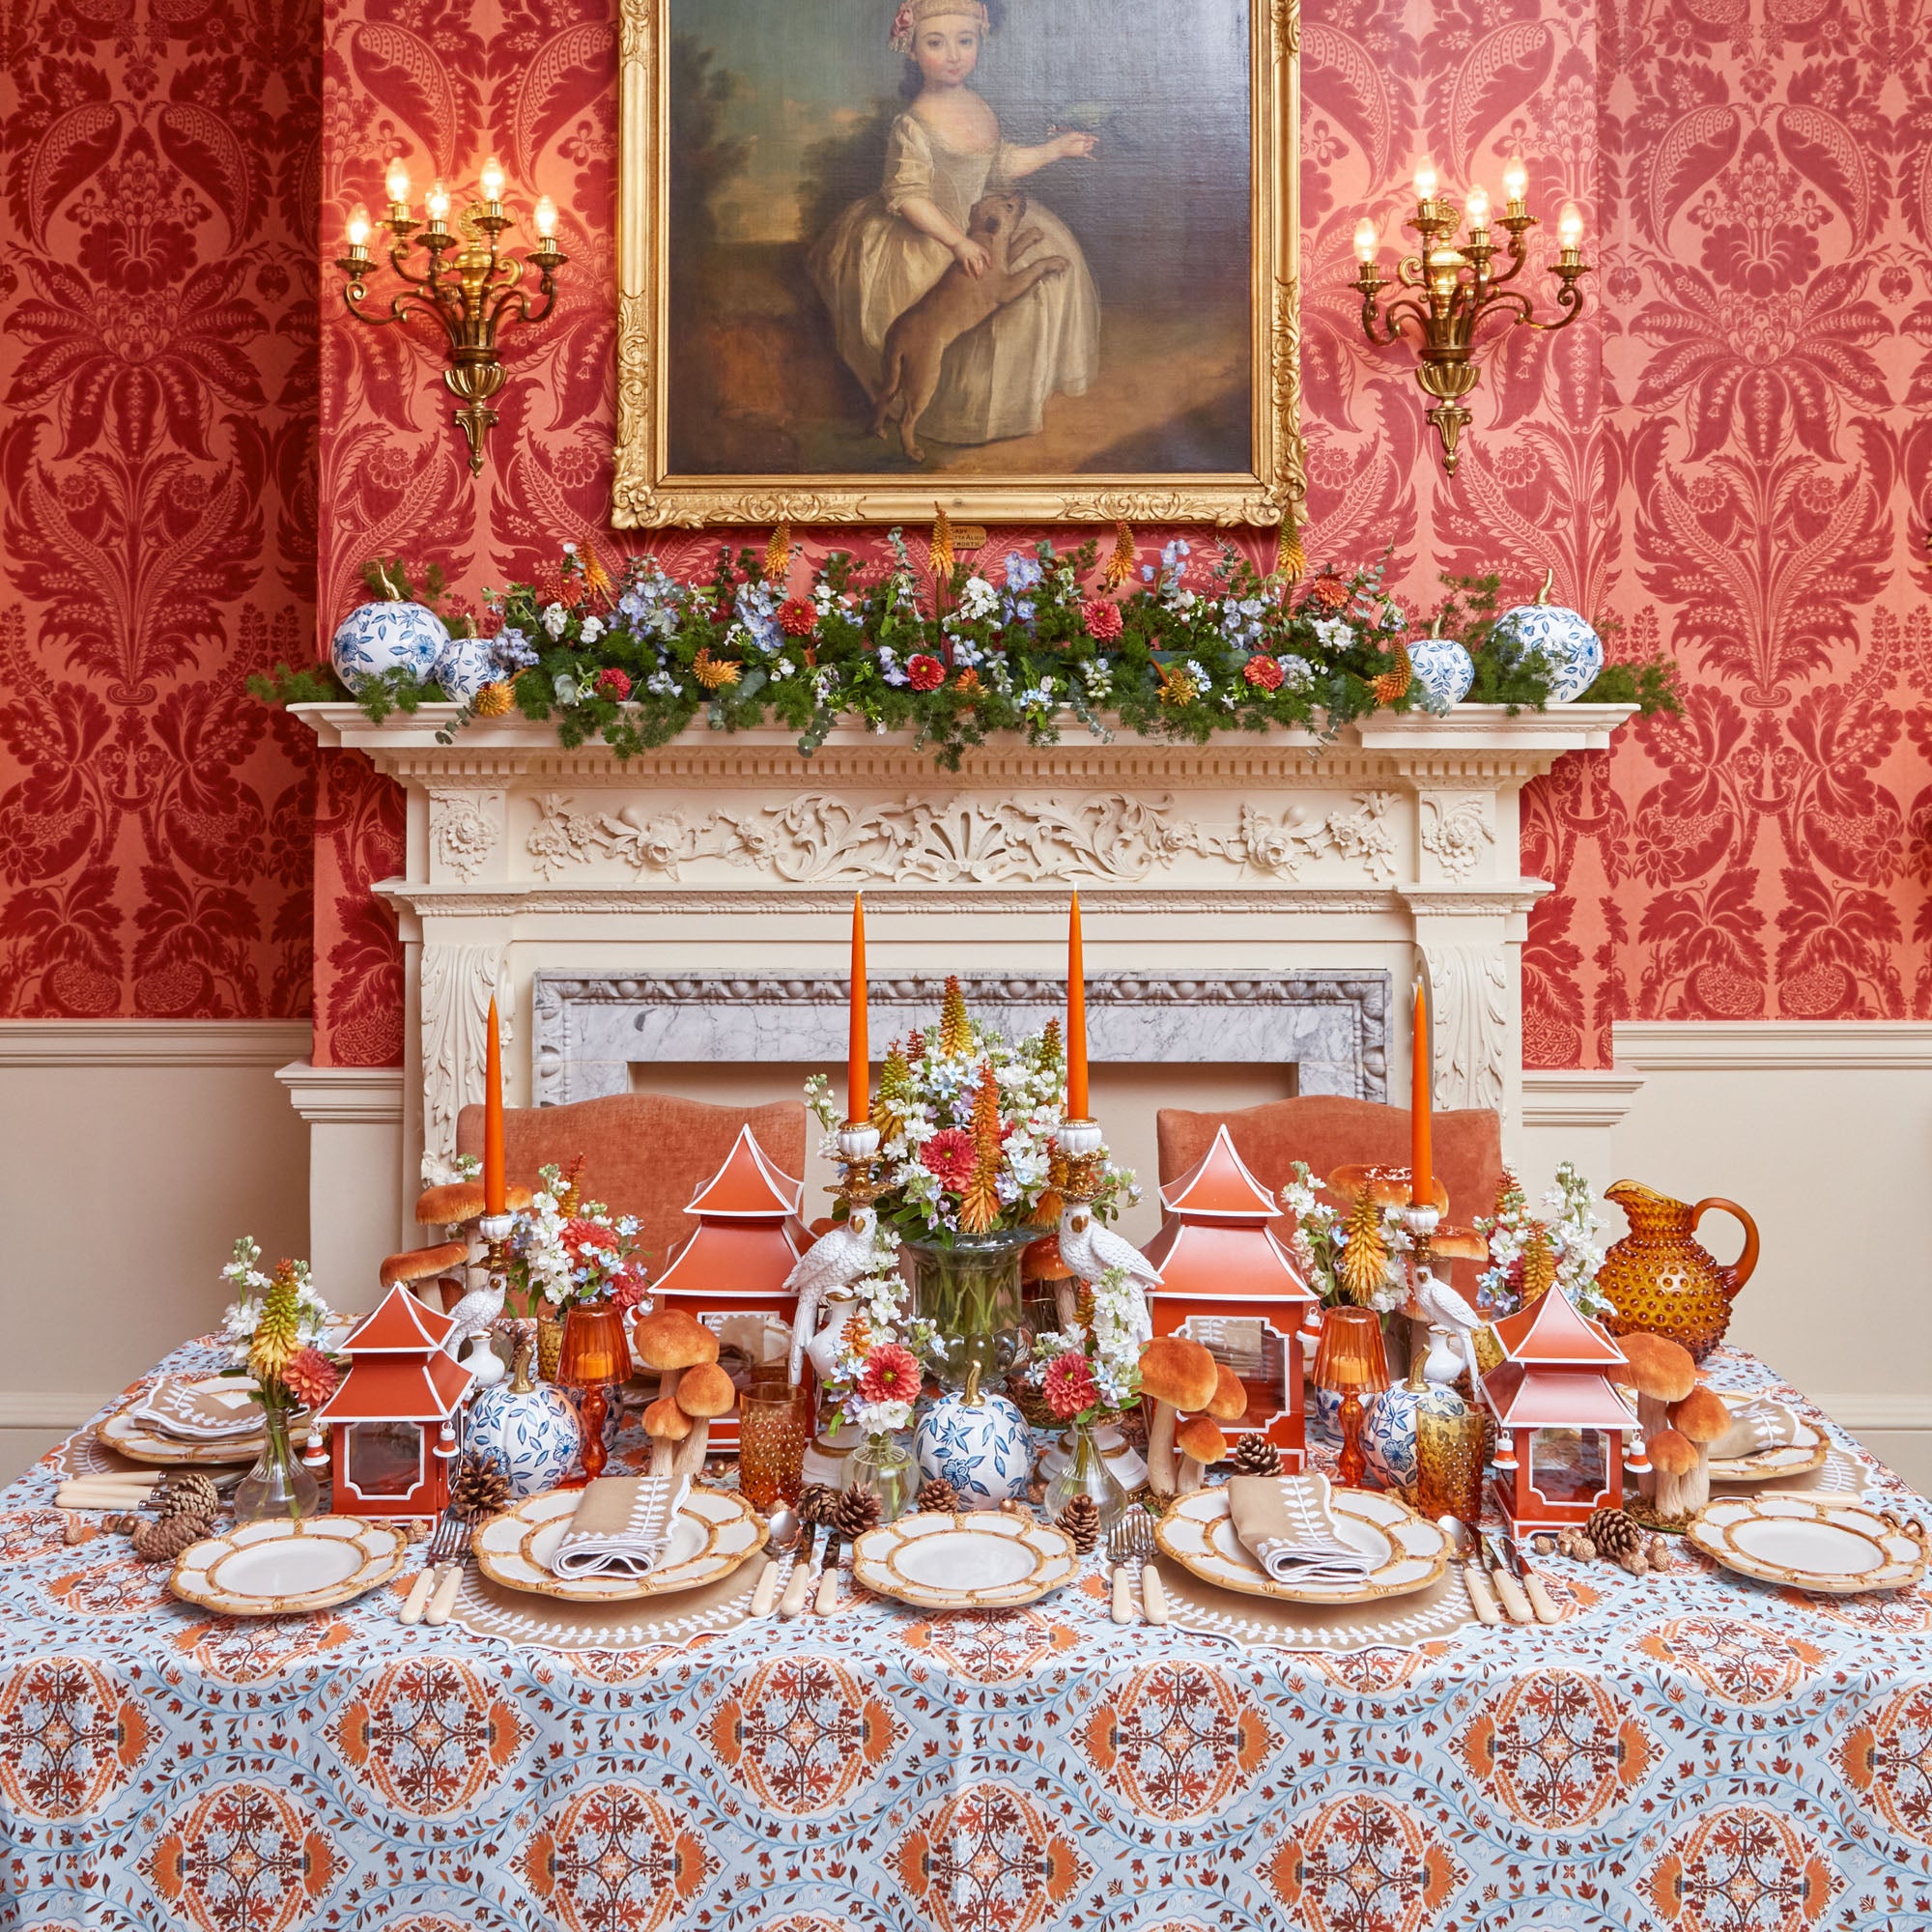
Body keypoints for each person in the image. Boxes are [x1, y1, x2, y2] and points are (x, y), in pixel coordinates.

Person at [809, 0, 1101, 451]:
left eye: (964, 41)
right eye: (935, 42)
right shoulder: (913, 123)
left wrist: (1055, 150)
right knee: (940, 319)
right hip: (931, 233)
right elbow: (908, 196)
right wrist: (956, 241)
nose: (953, 54)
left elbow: (999, 163)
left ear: (978, 41)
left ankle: (994, 408)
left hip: (984, 223)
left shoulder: (978, 108)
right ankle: (938, 413)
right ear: (911, 50)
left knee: (1044, 272)